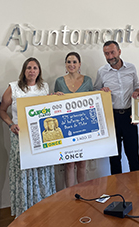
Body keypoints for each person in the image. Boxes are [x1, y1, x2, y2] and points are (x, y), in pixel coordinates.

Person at [0, 57, 56, 218]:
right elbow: (2, 110)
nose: (32, 71)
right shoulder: (14, 87)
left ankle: (44, 208)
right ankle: (24, 210)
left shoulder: (44, 87)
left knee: (41, 170)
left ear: (39, 71)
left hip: (41, 138)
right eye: (29, 68)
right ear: (24, 71)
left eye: (35, 68)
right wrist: (11, 125)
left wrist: (57, 98)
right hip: (20, 136)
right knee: (24, 172)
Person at [94, 41, 139, 174]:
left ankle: (136, 186)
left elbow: (138, 85)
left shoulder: (131, 68)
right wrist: (101, 91)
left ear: (119, 52)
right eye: (106, 54)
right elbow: (96, 92)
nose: (109, 56)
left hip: (129, 116)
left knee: (133, 155)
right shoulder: (102, 72)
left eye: (112, 52)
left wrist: (137, 91)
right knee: (115, 157)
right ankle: (117, 189)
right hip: (111, 117)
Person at [54, 51, 93, 187]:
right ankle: (70, 195)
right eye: (69, 62)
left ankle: (83, 192)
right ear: (65, 64)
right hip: (66, 127)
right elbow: (54, 105)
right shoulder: (59, 81)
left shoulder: (87, 81)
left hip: (84, 127)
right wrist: (55, 96)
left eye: (74, 62)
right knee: (69, 163)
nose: (71, 64)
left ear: (79, 64)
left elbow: (93, 102)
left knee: (82, 162)